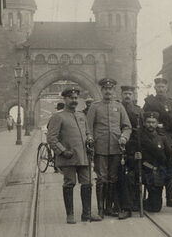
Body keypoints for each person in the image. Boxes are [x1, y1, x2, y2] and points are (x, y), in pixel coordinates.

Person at [47, 87, 99, 223]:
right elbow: (51, 138)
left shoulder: (81, 116)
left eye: (76, 98)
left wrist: (89, 139)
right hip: (68, 157)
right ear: (64, 99)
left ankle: (86, 214)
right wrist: (63, 151)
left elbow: (88, 132)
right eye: (71, 98)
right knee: (69, 183)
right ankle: (70, 214)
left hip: (83, 156)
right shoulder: (58, 117)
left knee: (87, 183)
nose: (74, 100)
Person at [87, 78, 132, 220]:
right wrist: (89, 138)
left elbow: (127, 126)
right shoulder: (95, 107)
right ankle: (100, 209)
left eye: (110, 89)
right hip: (100, 148)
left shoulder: (119, 107)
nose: (108, 91)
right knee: (101, 179)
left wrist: (124, 137)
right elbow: (88, 127)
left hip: (116, 147)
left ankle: (109, 208)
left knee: (113, 178)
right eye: (105, 89)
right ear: (101, 90)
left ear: (113, 91)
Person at [143, 77, 172, 207]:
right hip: (153, 137)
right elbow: (144, 119)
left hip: (169, 138)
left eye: (163, 87)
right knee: (156, 165)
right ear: (155, 88)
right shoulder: (149, 102)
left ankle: (170, 198)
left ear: (167, 88)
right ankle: (153, 194)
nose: (160, 89)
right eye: (158, 87)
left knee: (170, 165)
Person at [126, 111, 172, 212]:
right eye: (148, 122)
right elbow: (128, 155)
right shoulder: (137, 137)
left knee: (155, 208)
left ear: (157, 123)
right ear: (144, 123)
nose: (150, 124)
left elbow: (168, 156)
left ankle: (147, 201)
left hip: (156, 171)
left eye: (153, 122)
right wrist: (135, 156)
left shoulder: (162, 138)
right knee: (130, 177)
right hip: (141, 170)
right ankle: (135, 201)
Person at [119, 85, 144, 213]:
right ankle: (120, 204)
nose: (127, 96)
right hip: (120, 145)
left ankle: (135, 202)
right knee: (120, 175)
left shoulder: (138, 110)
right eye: (125, 94)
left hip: (134, 146)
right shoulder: (117, 108)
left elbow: (143, 130)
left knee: (135, 175)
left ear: (133, 95)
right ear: (121, 95)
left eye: (129, 93)